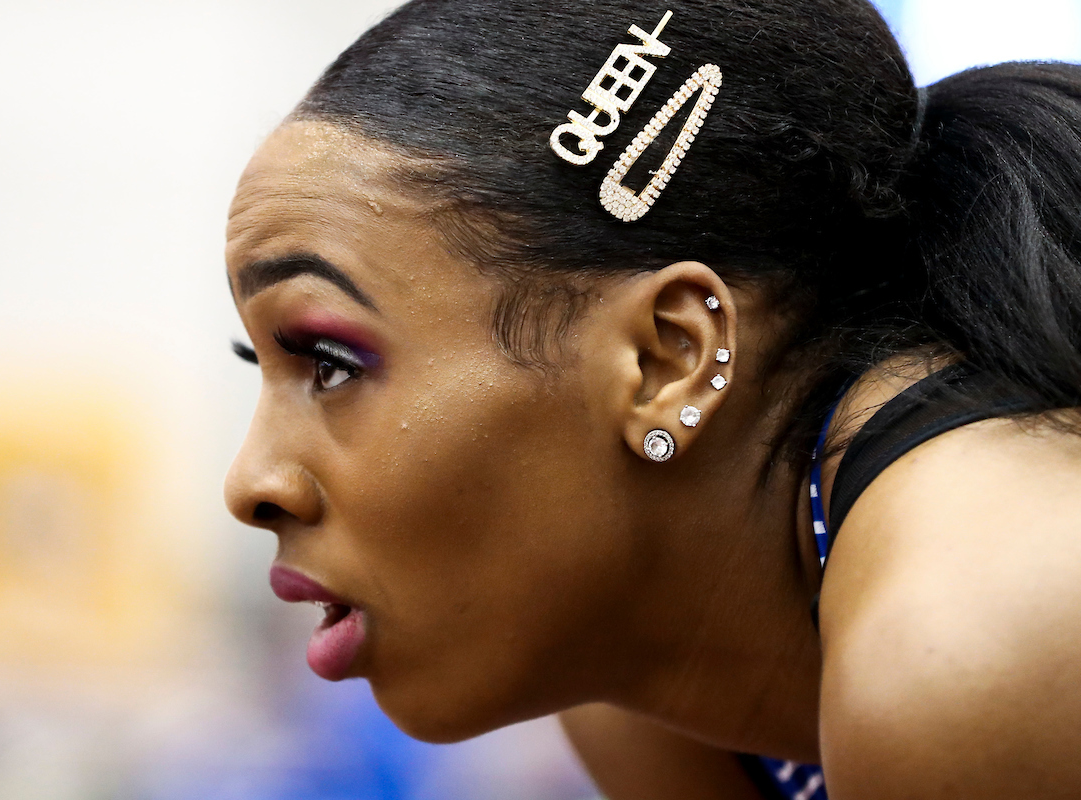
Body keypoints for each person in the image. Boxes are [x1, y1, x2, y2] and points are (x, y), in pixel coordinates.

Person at [221, 0, 1081, 797]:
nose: (251, 484)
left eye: (331, 363)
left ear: (669, 361)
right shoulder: (632, 688)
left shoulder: (975, 649)